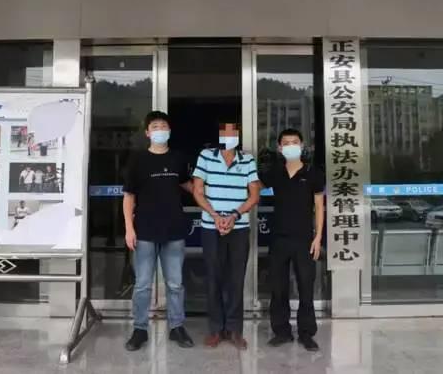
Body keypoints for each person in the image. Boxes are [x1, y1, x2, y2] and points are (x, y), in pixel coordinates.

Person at [123, 111, 194, 351]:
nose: (160, 130)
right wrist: (129, 229)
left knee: (175, 284)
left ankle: (177, 327)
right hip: (144, 230)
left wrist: (211, 192)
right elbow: (129, 196)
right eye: (155, 126)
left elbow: (188, 184)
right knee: (143, 284)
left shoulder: (178, 158)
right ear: (147, 132)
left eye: (163, 126)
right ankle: (139, 329)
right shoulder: (138, 160)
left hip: (174, 230)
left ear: (169, 131)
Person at [192, 123, 260, 351]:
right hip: (211, 227)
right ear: (219, 135)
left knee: (236, 279)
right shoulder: (206, 156)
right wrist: (215, 216)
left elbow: (254, 195)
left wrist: (233, 216)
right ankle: (215, 329)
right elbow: (198, 191)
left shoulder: (247, 160)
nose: (229, 136)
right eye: (225, 133)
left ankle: (234, 330)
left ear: (238, 136)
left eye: (233, 133)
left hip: (238, 228)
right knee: (213, 278)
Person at [259, 129, 325, 352]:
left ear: (302, 145)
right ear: (279, 148)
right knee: (278, 288)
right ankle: (282, 331)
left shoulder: (313, 173)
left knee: (306, 287)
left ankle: (306, 333)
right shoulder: (275, 173)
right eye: (286, 143)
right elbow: (254, 187)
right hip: (278, 239)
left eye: (294, 142)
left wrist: (318, 237)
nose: (290, 146)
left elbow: (319, 206)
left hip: (304, 239)